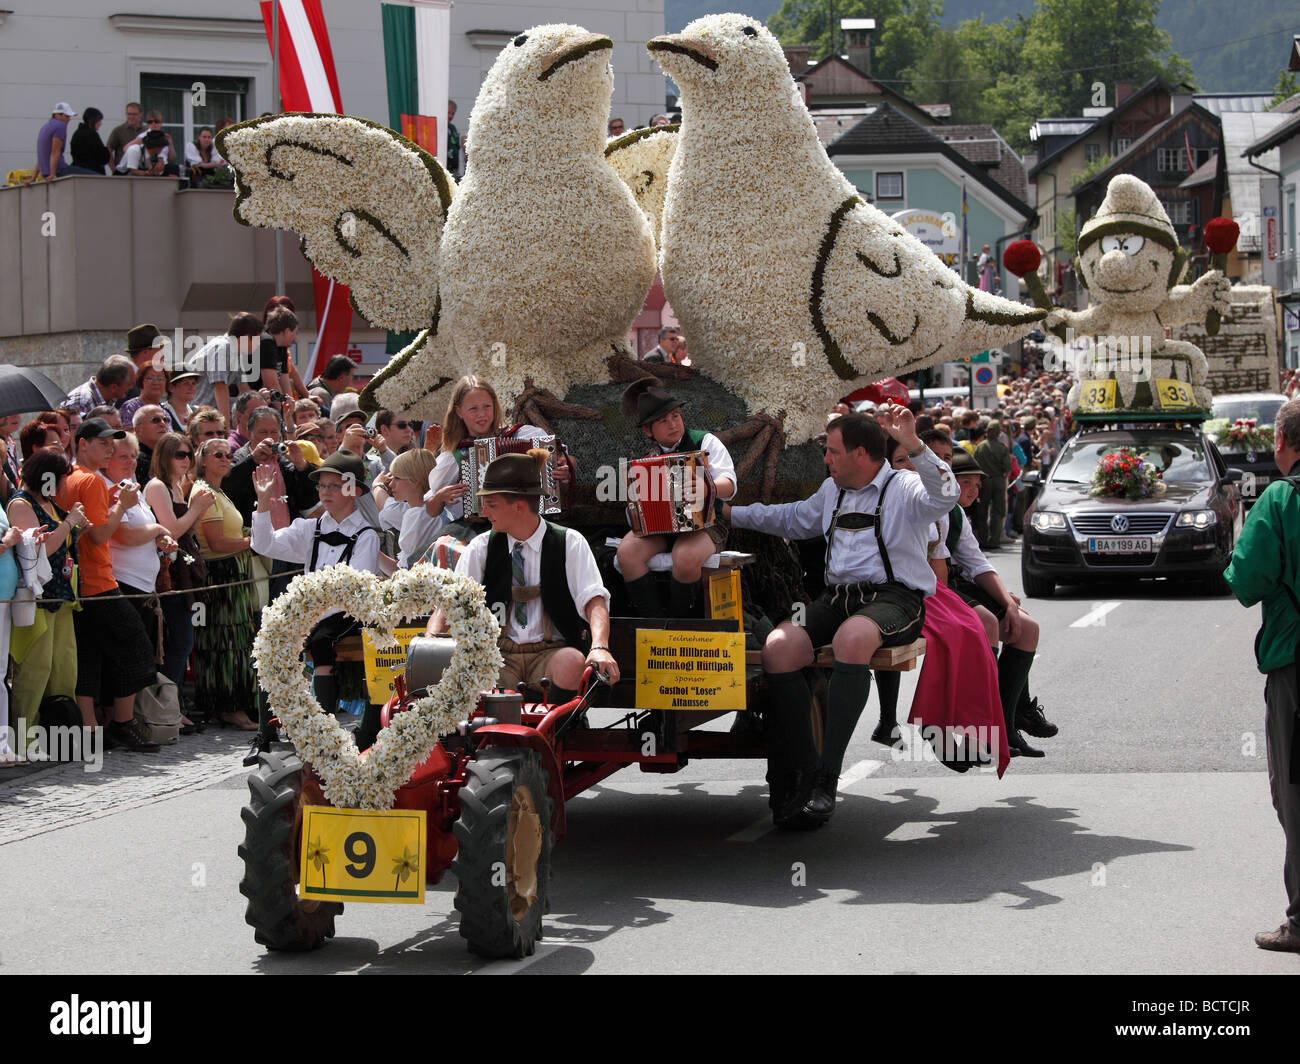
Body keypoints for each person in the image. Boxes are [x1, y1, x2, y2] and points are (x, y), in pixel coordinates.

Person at [722, 408, 956, 828]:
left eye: (832, 451)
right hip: (838, 597)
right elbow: (792, 518)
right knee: (778, 649)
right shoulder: (833, 491)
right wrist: (731, 514)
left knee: (851, 639)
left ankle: (827, 779)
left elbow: (946, 496)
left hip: (896, 598)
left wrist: (915, 445)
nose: (826, 460)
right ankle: (809, 769)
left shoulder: (904, 487)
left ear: (860, 453)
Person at [428, 450, 619, 705]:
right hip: (497, 655)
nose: (484, 512)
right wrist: (431, 640)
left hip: (551, 653)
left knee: (572, 661)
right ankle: (495, 739)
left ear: (518, 506)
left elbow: (594, 599)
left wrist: (600, 646)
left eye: (492, 504)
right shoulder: (480, 547)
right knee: (472, 672)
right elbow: (450, 601)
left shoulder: (569, 542)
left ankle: (554, 735)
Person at [878, 435, 1008, 774]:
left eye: (947, 457)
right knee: (950, 633)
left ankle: (975, 727)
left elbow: (941, 567)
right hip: (887, 587)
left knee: (972, 627)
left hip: (925, 587)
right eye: (902, 460)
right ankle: (934, 727)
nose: (911, 468)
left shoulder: (934, 507)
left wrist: (946, 603)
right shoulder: (885, 498)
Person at [1225, 397, 1300, 952]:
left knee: (1295, 794)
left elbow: (1246, 580)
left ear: (1282, 444)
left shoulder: (1278, 500)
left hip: (1295, 662)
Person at [927, 433, 1053, 755]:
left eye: (975, 485)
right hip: (937, 585)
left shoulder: (957, 514)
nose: (971, 490)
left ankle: (1013, 715)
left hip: (958, 580)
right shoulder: (930, 505)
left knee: (1027, 627)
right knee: (989, 623)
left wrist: (1007, 600)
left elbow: (977, 561)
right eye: (965, 482)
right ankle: (994, 724)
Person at [251, 450, 383, 751]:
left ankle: (321, 733)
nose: (326, 492)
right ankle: (266, 735)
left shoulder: (366, 534)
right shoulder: (309, 529)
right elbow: (263, 544)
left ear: (354, 490)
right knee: (269, 643)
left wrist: (312, 612)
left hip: (344, 614)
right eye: (322, 486)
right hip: (312, 612)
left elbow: (354, 588)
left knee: (320, 640)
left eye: (334, 486)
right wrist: (263, 501)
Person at [55, 419, 160, 751]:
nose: (110, 450)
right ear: (82, 443)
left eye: (111, 445)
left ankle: (90, 729)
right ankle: (122, 722)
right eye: (103, 444)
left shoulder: (69, 477)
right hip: (98, 582)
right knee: (135, 649)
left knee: (90, 655)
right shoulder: (88, 480)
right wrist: (122, 506)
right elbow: (101, 533)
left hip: (78, 582)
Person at [616, 379, 736, 618]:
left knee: (685, 556)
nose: (673, 424)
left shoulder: (706, 442)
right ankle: (654, 623)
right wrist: (636, 510)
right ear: (648, 430)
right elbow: (637, 509)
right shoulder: (648, 459)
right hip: (663, 531)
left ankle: (679, 623)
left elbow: (730, 486)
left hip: (708, 527)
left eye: (676, 416)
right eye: (663, 420)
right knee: (627, 552)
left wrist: (707, 487)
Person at [422, 376, 559, 549]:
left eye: (487, 406)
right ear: (458, 412)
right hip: (479, 528)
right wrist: (441, 496)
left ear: (494, 405)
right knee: (447, 548)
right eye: (473, 409)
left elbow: (564, 462)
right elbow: (431, 509)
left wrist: (562, 471)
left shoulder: (523, 436)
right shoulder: (455, 455)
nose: (482, 414)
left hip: (526, 522)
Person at [6, 452, 83, 742]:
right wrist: (69, 522)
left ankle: (61, 734)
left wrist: (77, 526)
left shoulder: (48, 502)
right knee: (36, 669)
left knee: (64, 667)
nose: (64, 484)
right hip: (37, 597)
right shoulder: (20, 503)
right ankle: (24, 737)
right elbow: (39, 551)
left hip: (62, 594)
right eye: (62, 477)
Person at [144, 433, 214, 728]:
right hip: (168, 573)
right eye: (180, 455)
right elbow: (170, 528)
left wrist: (197, 510)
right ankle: (168, 708)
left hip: (185, 568)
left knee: (184, 643)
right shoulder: (158, 486)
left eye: (189, 455)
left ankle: (174, 706)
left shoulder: (177, 486)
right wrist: (196, 509)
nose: (186, 460)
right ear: (165, 456)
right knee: (178, 642)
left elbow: (186, 530)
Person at [190, 437, 258, 731]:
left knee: (237, 642)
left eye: (229, 455)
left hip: (235, 574)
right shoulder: (203, 492)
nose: (225, 459)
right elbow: (216, 542)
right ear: (203, 460)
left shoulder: (220, 491)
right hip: (222, 576)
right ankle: (227, 706)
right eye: (218, 454)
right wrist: (251, 542)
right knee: (224, 644)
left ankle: (237, 703)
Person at [101, 434, 175, 689]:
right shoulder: (107, 490)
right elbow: (126, 535)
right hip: (124, 583)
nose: (131, 462)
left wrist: (161, 539)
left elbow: (143, 530)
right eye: (123, 457)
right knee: (129, 658)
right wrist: (158, 529)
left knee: (144, 656)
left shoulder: (131, 486)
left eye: (133, 456)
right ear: (106, 459)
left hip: (145, 585)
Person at [371, 448, 439, 567]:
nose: (391, 484)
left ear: (416, 481)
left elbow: (404, 572)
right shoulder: (417, 511)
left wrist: (377, 485)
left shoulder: (416, 516)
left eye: (397, 478)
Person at [188, 312, 261, 422]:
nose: (258, 344)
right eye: (257, 339)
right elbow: (220, 386)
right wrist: (225, 425)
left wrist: (260, 399)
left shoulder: (235, 351)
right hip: (198, 415)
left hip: (208, 413)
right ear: (246, 337)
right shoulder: (223, 348)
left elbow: (244, 389)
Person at [258, 297, 308, 398]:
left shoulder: (282, 346)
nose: (295, 339)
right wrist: (282, 410)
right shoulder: (266, 342)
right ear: (287, 331)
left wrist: (291, 404)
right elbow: (271, 384)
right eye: (294, 333)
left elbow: (284, 380)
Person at [974, 418, 1012, 549]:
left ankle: (983, 540)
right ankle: (994, 540)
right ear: (997, 433)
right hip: (998, 480)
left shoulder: (980, 446)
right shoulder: (1002, 448)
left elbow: (975, 464)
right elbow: (1008, 467)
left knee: (982, 510)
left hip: (983, 480)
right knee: (998, 510)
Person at [64, 355, 136, 418]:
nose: (131, 387)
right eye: (129, 384)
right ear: (113, 387)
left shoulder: (110, 398)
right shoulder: (82, 401)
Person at [365, 409, 414, 478]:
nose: (409, 429)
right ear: (385, 430)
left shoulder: (406, 455)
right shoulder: (371, 460)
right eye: (402, 425)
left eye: (410, 425)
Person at [130, 404, 170, 487]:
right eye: (156, 420)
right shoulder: (135, 459)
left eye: (165, 420)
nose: (163, 424)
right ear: (138, 430)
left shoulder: (170, 454)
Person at [35, 103, 76, 181]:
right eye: (67, 116)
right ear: (57, 115)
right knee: (95, 176)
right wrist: (53, 174)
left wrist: (33, 177)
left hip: (44, 172)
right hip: (58, 170)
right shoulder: (60, 126)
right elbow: (55, 151)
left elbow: (42, 154)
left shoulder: (45, 126)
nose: (69, 119)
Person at [68, 107, 110, 175]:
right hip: (93, 173)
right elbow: (103, 157)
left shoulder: (77, 133)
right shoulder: (92, 135)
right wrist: (106, 150)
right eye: (99, 120)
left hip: (77, 172)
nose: (100, 123)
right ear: (93, 121)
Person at [105, 102, 144, 170]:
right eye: (129, 114)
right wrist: (114, 170)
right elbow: (108, 151)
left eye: (134, 114)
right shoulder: (118, 131)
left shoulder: (146, 130)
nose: (131, 117)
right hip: (123, 173)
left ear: (140, 114)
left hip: (142, 172)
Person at [446, 100, 462, 178]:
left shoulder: (452, 128)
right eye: (449, 112)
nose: (451, 116)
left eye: (453, 114)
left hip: (454, 170)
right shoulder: (438, 126)